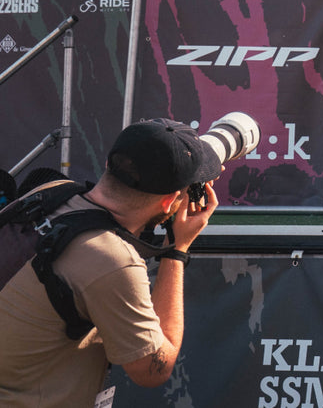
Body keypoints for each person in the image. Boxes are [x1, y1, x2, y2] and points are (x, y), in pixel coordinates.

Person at [0, 120, 219, 406]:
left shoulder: (53, 192)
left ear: (109, 164)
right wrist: (176, 251)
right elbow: (154, 370)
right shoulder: (113, 262)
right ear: (168, 202)